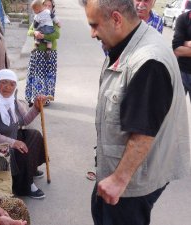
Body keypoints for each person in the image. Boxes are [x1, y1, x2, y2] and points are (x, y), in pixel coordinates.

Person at [79, 0, 190, 224]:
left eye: (95, 25)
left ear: (117, 19)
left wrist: (119, 180)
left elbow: (143, 133)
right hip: (122, 174)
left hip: (131, 184)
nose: (92, 33)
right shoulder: (128, 42)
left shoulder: (148, 61)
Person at [86, 0, 163, 182]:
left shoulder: (154, 34)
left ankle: (123, 170)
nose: (142, 4)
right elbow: (109, 49)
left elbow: (144, 131)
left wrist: (119, 180)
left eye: (147, 0)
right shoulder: (125, 16)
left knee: (131, 124)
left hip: (136, 74)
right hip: (116, 71)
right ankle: (101, 160)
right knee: (108, 120)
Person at [0, 69, 47, 199]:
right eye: (3, 83)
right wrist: (13, 142)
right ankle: (24, 186)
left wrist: (36, 108)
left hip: (9, 136)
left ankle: (30, 169)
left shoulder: (11, 99)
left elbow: (24, 120)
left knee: (34, 135)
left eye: (12, 84)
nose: (8, 87)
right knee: (21, 151)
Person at [25, 0, 60, 107]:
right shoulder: (38, 16)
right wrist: (35, 32)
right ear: (42, 6)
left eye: (50, 6)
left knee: (47, 76)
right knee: (36, 75)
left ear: (52, 7)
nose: (48, 7)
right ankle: (33, 98)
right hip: (38, 52)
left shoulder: (53, 19)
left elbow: (57, 35)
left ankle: (45, 99)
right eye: (46, 5)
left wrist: (43, 36)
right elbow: (29, 31)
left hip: (50, 53)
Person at [172, 10, 191, 101]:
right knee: (175, 111)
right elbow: (177, 49)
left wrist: (185, 43)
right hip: (182, 74)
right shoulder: (183, 18)